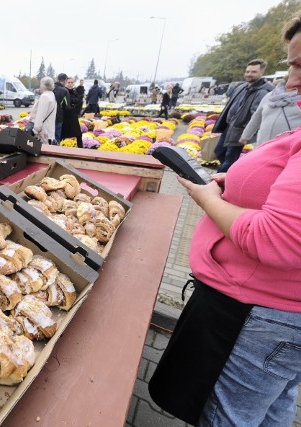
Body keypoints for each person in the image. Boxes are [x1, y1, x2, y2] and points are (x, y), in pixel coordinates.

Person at [149, 15, 301, 426]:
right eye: (290, 65)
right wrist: (234, 183)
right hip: (274, 315)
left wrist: (205, 196)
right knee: (273, 409)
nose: (289, 81)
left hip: (260, 317)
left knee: (228, 417)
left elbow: (277, 239)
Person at [211, 59, 274, 172]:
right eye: (247, 71)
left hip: (240, 130)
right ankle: (229, 174)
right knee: (219, 152)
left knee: (230, 158)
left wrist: (247, 133)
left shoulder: (263, 91)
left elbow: (257, 115)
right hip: (229, 127)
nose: (249, 74)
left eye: (253, 72)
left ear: (262, 72)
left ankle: (219, 182)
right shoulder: (242, 87)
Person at [239, 77, 301, 147]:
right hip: (262, 144)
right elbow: (257, 116)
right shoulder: (270, 95)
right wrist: (246, 135)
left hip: (287, 147)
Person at [29, 77, 57, 145]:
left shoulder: (45, 96)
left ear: (43, 85)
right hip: (49, 130)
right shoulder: (51, 95)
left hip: (42, 132)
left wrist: (35, 130)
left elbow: (40, 115)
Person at [60, 77, 84, 147]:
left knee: (78, 134)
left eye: (72, 82)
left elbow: (79, 102)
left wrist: (77, 110)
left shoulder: (75, 92)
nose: (70, 84)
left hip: (73, 116)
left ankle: (81, 150)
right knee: (63, 135)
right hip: (65, 116)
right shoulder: (64, 92)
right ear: (65, 83)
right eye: (68, 82)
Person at [52, 73, 70, 143]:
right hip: (58, 117)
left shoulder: (50, 88)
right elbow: (67, 107)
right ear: (65, 80)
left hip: (47, 117)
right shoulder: (65, 91)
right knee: (56, 137)